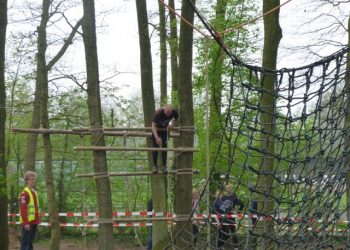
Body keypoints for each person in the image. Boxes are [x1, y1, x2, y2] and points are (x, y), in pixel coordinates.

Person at [213, 184, 244, 249]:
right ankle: (220, 246)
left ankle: (236, 247)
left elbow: (242, 204)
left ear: (232, 189)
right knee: (224, 233)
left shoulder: (234, 198)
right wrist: (217, 219)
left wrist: (237, 212)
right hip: (223, 218)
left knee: (233, 233)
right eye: (227, 188)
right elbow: (219, 206)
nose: (228, 189)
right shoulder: (223, 197)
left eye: (230, 188)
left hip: (231, 218)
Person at [151, 104, 179, 173]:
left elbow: (176, 118)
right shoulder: (159, 113)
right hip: (157, 130)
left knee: (165, 146)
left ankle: (164, 166)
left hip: (164, 130)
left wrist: (172, 124)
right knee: (155, 147)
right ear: (164, 110)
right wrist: (157, 137)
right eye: (167, 113)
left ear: (171, 111)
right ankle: (155, 166)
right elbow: (153, 126)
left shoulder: (174, 112)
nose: (168, 115)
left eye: (170, 113)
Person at [19, 171, 40, 250]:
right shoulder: (24, 194)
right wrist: (25, 223)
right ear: (27, 180)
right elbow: (23, 209)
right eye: (31, 179)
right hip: (27, 223)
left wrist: (37, 220)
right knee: (25, 243)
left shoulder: (34, 192)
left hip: (34, 221)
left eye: (34, 179)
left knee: (30, 242)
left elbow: (36, 208)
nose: (33, 181)